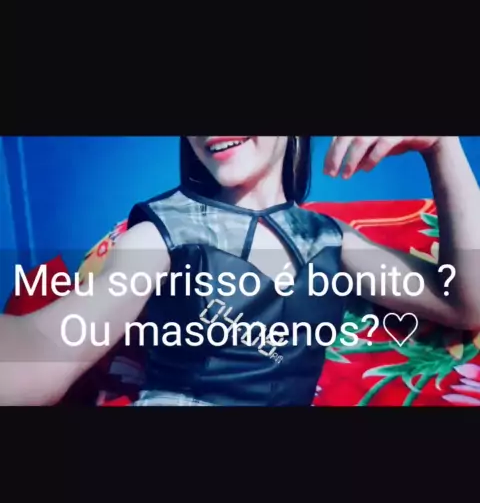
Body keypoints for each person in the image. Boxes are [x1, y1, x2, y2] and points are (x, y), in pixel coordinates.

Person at [1, 136, 479, 406]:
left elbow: (466, 303)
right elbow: (48, 346)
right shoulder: (161, 231)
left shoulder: (331, 239)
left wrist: (441, 147)